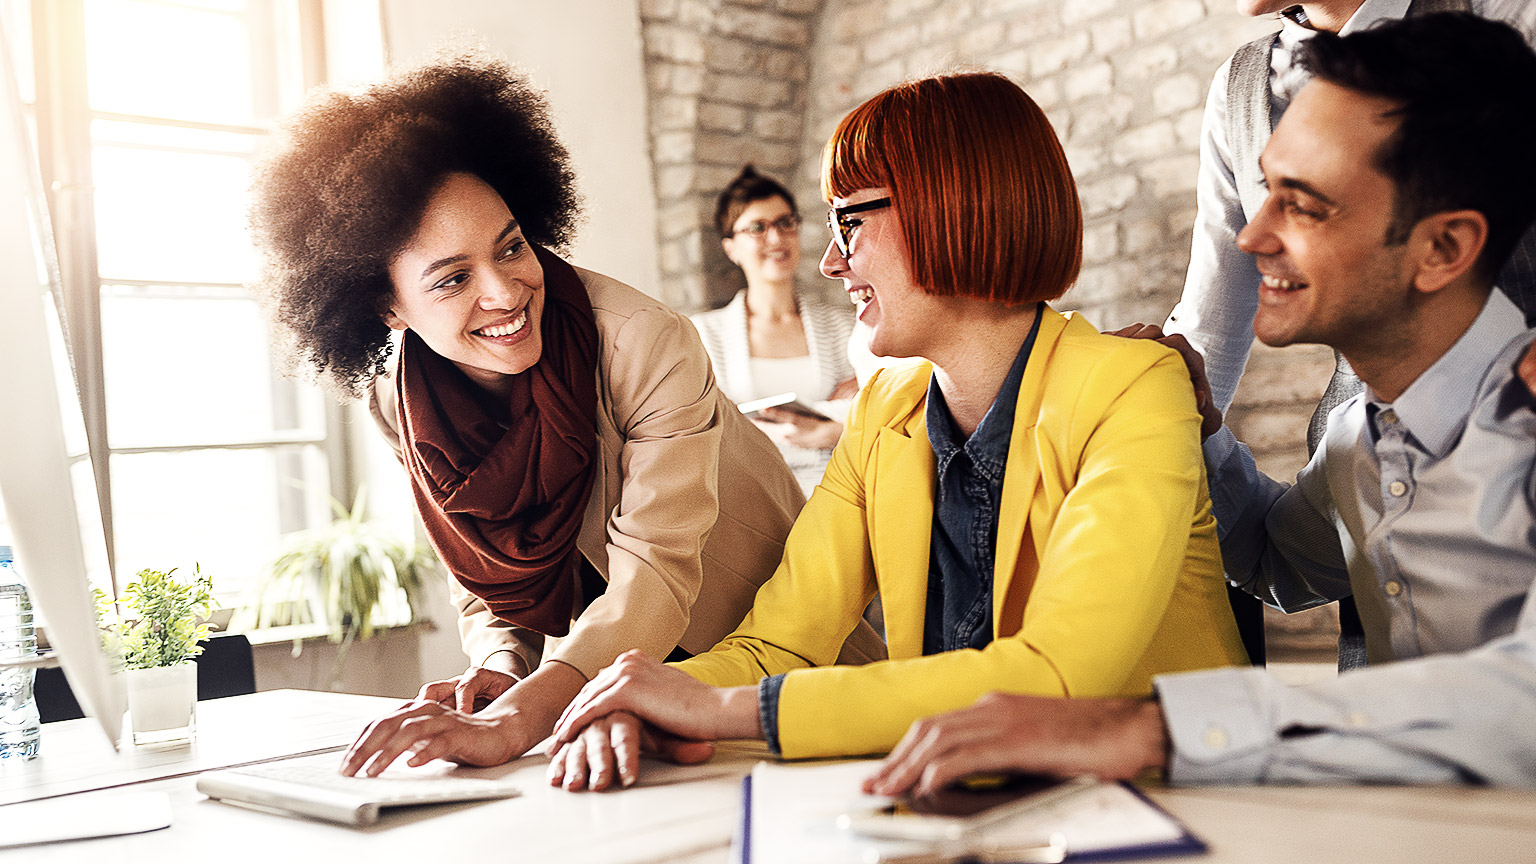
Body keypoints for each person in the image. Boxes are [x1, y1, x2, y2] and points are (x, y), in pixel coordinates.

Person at [870, 14, 1536, 794]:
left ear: (1443, 249)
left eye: (1304, 203)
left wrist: (1145, 727)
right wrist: (1199, 431)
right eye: (1264, 189)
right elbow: (1280, 563)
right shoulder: (1364, 433)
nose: (1251, 236)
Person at [542, 70, 1248, 792]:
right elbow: (777, 641)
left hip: (1174, 807)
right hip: (971, 805)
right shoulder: (885, 410)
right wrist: (637, 700)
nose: (828, 260)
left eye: (849, 221)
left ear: (953, 209)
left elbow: (1056, 675)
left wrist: (720, 708)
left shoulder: (1134, 387)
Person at [246, 54, 884, 775]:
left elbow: (657, 571)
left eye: (512, 246)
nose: (506, 291)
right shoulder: (398, 402)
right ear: (387, 307)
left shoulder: (647, 341)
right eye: (453, 279)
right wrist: (501, 664)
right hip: (603, 696)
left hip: (764, 674)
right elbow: (484, 563)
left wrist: (522, 717)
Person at [691, 166, 862, 495]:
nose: (776, 238)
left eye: (786, 223)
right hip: (749, 500)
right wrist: (834, 420)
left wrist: (834, 431)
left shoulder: (846, 327)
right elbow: (706, 430)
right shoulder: (703, 336)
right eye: (757, 227)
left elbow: (875, 412)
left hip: (837, 493)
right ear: (730, 248)